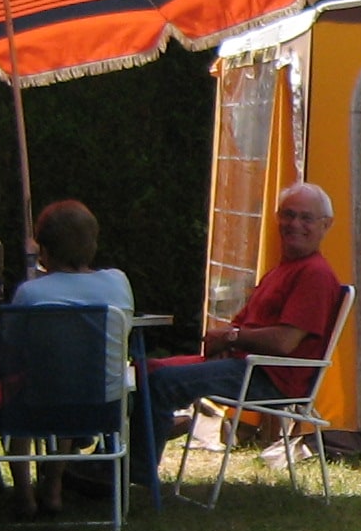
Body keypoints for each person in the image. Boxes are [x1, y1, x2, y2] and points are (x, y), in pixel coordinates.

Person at [135, 181, 342, 486]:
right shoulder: (282, 269)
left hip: (269, 377)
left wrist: (232, 338)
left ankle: (135, 474)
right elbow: (244, 325)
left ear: (326, 225)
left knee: (161, 383)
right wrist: (225, 340)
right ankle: (117, 457)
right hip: (245, 364)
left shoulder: (314, 274)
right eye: (287, 215)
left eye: (306, 218)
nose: (294, 224)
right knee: (141, 372)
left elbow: (285, 342)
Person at [4, 200, 133, 514]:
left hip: (34, 409)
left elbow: (14, 348)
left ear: (44, 250)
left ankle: (24, 495)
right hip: (101, 408)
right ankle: (54, 488)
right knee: (70, 384)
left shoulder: (31, 294)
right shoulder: (117, 283)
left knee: (30, 388)